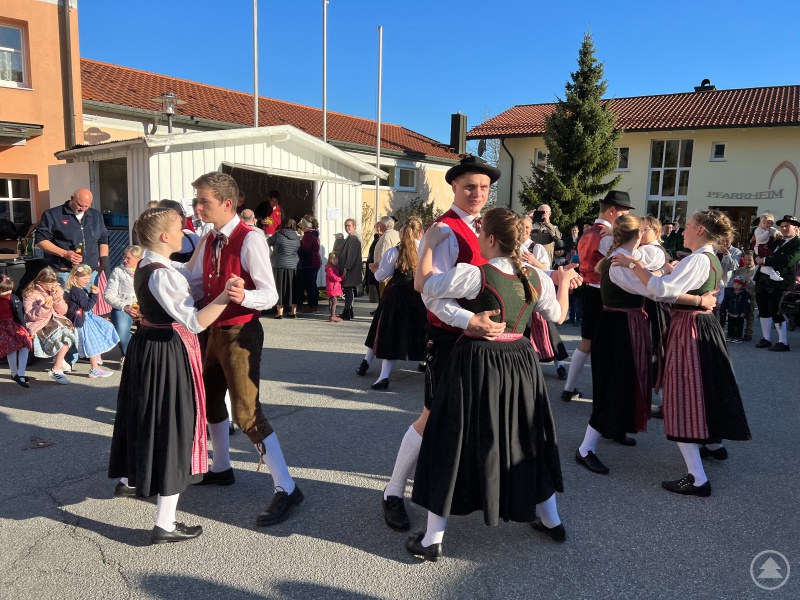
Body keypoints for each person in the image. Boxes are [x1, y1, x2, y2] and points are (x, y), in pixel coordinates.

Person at [407, 208, 575, 561]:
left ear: (492, 239)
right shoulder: (536, 277)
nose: (478, 239)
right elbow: (558, 316)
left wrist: (429, 246)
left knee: (453, 438)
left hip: (478, 361)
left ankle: (432, 538)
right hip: (521, 363)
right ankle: (552, 520)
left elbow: (424, 287)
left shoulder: (475, 275)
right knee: (527, 437)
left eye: (481, 234)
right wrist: (562, 283)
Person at [380, 156, 509, 535]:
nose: (477, 194)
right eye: (470, 187)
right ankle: (393, 491)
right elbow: (431, 296)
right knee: (431, 416)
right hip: (451, 338)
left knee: (481, 418)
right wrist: (470, 321)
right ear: (454, 187)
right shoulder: (445, 231)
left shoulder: (486, 226)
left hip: (484, 340)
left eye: (484, 187)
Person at [108, 207, 243, 544]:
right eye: (180, 229)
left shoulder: (148, 264)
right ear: (165, 236)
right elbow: (194, 322)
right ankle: (165, 523)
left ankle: (129, 480)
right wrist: (225, 296)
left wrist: (205, 244)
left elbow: (184, 271)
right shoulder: (162, 275)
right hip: (165, 351)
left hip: (147, 346)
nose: (185, 234)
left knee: (143, 416)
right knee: (173, 426)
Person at [188, 172, 303, 527]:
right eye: (197, 201)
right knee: (210, 399)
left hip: (241, 333)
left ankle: (287, 486)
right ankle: (222, 468)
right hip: (213, 331)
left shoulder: (250, 238)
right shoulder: (209, 237)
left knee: (246, 413)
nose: (197, 207)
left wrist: (245, 296)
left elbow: (270, 294)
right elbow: (195, 283)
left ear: (227, 203)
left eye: (203, 201)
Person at [613, 210, 751, 495]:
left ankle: (697, 478)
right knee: (706, 386)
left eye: (688, 226)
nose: (683, 231)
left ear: (700, 230)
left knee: (682, 394)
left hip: (690, 328)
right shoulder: (709, 258)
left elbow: (660, 290)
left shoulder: (697, 259)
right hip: (703, 325)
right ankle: (714, 444)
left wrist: (634, 264)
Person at [560, 190, 633, 402]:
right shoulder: (606, 235)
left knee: (587, 342)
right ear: (612, 211)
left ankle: (569, 388)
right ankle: (604, 394)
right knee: (604, 345)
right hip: (604, 291)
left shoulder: (588, 232)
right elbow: (625, 260)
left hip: (590, 288)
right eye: (623, 215)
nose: (624, 220)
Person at [358, 217, 426, 389]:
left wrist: (375, 270)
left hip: (397, 296)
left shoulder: (394, 252)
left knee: (388, 331)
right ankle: (424, 362)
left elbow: (382, 276)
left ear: (402, 234)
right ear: (420, 233)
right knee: (421, 329)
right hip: (420, 296)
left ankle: (382, 375)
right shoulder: (426, 250)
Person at [34, 188, 109, 287]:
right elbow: (40, 240)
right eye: (80, 205)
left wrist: (103, 263)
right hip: (65, 272)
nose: (82, 209)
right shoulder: (53, 214)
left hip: (90, 273)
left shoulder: (96, 215)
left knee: (91, 298)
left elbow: (103, 240)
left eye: (86, 206)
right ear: (72, 198)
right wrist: (64, 253)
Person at [22, 268, 77, 384]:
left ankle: (57, 364)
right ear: (40, 282)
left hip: (56, 321)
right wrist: (45, 308)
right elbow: (30, 316)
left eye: (55, 282)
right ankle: (57, 367)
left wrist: (57, 301)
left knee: (69, 335)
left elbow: (63, 311)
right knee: (64, 334)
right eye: (50, 283)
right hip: (41, 325)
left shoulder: (58, 290)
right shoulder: (31, 294)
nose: (54, 286)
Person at [754, 215, 800, 351]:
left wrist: (765, 261)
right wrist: (758, 257)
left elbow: (788, 260)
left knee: (775, 310)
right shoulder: (777, 240)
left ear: (796, 228)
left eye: (787, 226)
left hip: (781, 281)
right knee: (763, 309)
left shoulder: (797, 243)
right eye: (782, 226)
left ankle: (783, 342)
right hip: (763, 279)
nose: (784, 228)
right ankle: (766, 338)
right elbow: (761, 248)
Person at [65, 264, 118, 378]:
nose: (87, 281)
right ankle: (94, 368)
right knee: (91, 342)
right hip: (83, 321)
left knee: (99, 335)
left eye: (88, 278)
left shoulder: (79, 290)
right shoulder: (77, 291)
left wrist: (90, 294)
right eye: (84, 278)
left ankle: (95, 364)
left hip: (86, 319)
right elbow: (86, 306)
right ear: (75, 278)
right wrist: (94, 295)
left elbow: (84, 302)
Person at [105, 246, 142, 365]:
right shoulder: (118, 271)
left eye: (128, 258)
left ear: (138, 259)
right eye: (124, 257)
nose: (125, 260)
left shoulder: (146, 271)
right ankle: (128, 354)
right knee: (121, 333)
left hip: (143, 307)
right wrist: (124, 306)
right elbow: (108, 295)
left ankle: (142, 353)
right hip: (124, 307)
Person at [0, 275, 32, 387]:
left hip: (12, 324)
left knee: (25, 343)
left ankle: (21, 373)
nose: (6, 293)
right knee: (11, 347)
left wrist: (25, 328)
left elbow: (19, 315)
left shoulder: (13, 298)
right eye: (3, 290)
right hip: (2, 327)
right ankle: (14, 373)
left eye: (9, 289)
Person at [267, 218, 301, 319]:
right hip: (294, 265)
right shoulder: (297, 237)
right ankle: (293, 312)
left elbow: (266, 243)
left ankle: (280, 313)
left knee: (279, 288)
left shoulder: (278, 235)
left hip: (279, 265)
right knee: (293, 288)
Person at [338, 219, 362, 321]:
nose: (347, 227)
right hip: (350, 268)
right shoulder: (351, 237)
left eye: (349, 226)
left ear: (354, 226)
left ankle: (347, 311)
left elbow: (351, 255)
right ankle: (349, 311)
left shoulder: (353, 238)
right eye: (346, 226)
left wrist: (346, 268)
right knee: (348, 290)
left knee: (348, 290)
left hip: (350, 269)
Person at [372, 216, 401, 299]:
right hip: (394, 271)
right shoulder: (396, 234)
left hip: (385, 272)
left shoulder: (386, 236)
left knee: (385, 296)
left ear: (384, 226)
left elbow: (384, 254)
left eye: (380, 224)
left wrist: (378, 270)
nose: (378, 225)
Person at [299, 216, 322, 314]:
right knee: (313, 284)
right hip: (316, 261)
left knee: (309, 285)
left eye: (302, 224)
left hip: (310, 262)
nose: (301, 226)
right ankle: (315, 305)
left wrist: (299, 249)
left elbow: (306, 251)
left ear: (306, 225)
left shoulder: (308, 236)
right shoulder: (315, 234)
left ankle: (311, 306)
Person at [733, 251, 757, 340]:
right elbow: (735, 282)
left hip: (751, 295)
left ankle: (748, 333)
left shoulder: (756, 270)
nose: (747, 262)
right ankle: (736, 331)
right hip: (740, 295)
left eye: (749, 260)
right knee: (738, 314)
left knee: (750, 315)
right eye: (745, 260)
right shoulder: (740, 270)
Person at [721, 276, 751, 343]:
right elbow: (725, 301)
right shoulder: (730, 292)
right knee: (730, 325)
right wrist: (723, 309)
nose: (736, 286)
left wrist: (744, 312)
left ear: (742, 285)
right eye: (735, 284)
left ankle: (738, 337)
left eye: (739, 284)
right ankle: (730, 335)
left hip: (740, 313)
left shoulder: (745, 294)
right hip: (730, 312)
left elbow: (746, 304)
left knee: (739, 325)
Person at [325, 251, 344, 323]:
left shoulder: (335, 267)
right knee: (334, 302)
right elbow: (334, 277)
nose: (336, 261)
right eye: (334, 259)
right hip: (332, 287)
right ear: (330, 260)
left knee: (331, 301)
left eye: (337, 259)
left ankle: (332, 315)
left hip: (333, 287)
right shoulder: (330, 268)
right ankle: (333, 316)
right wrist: (342, 277)